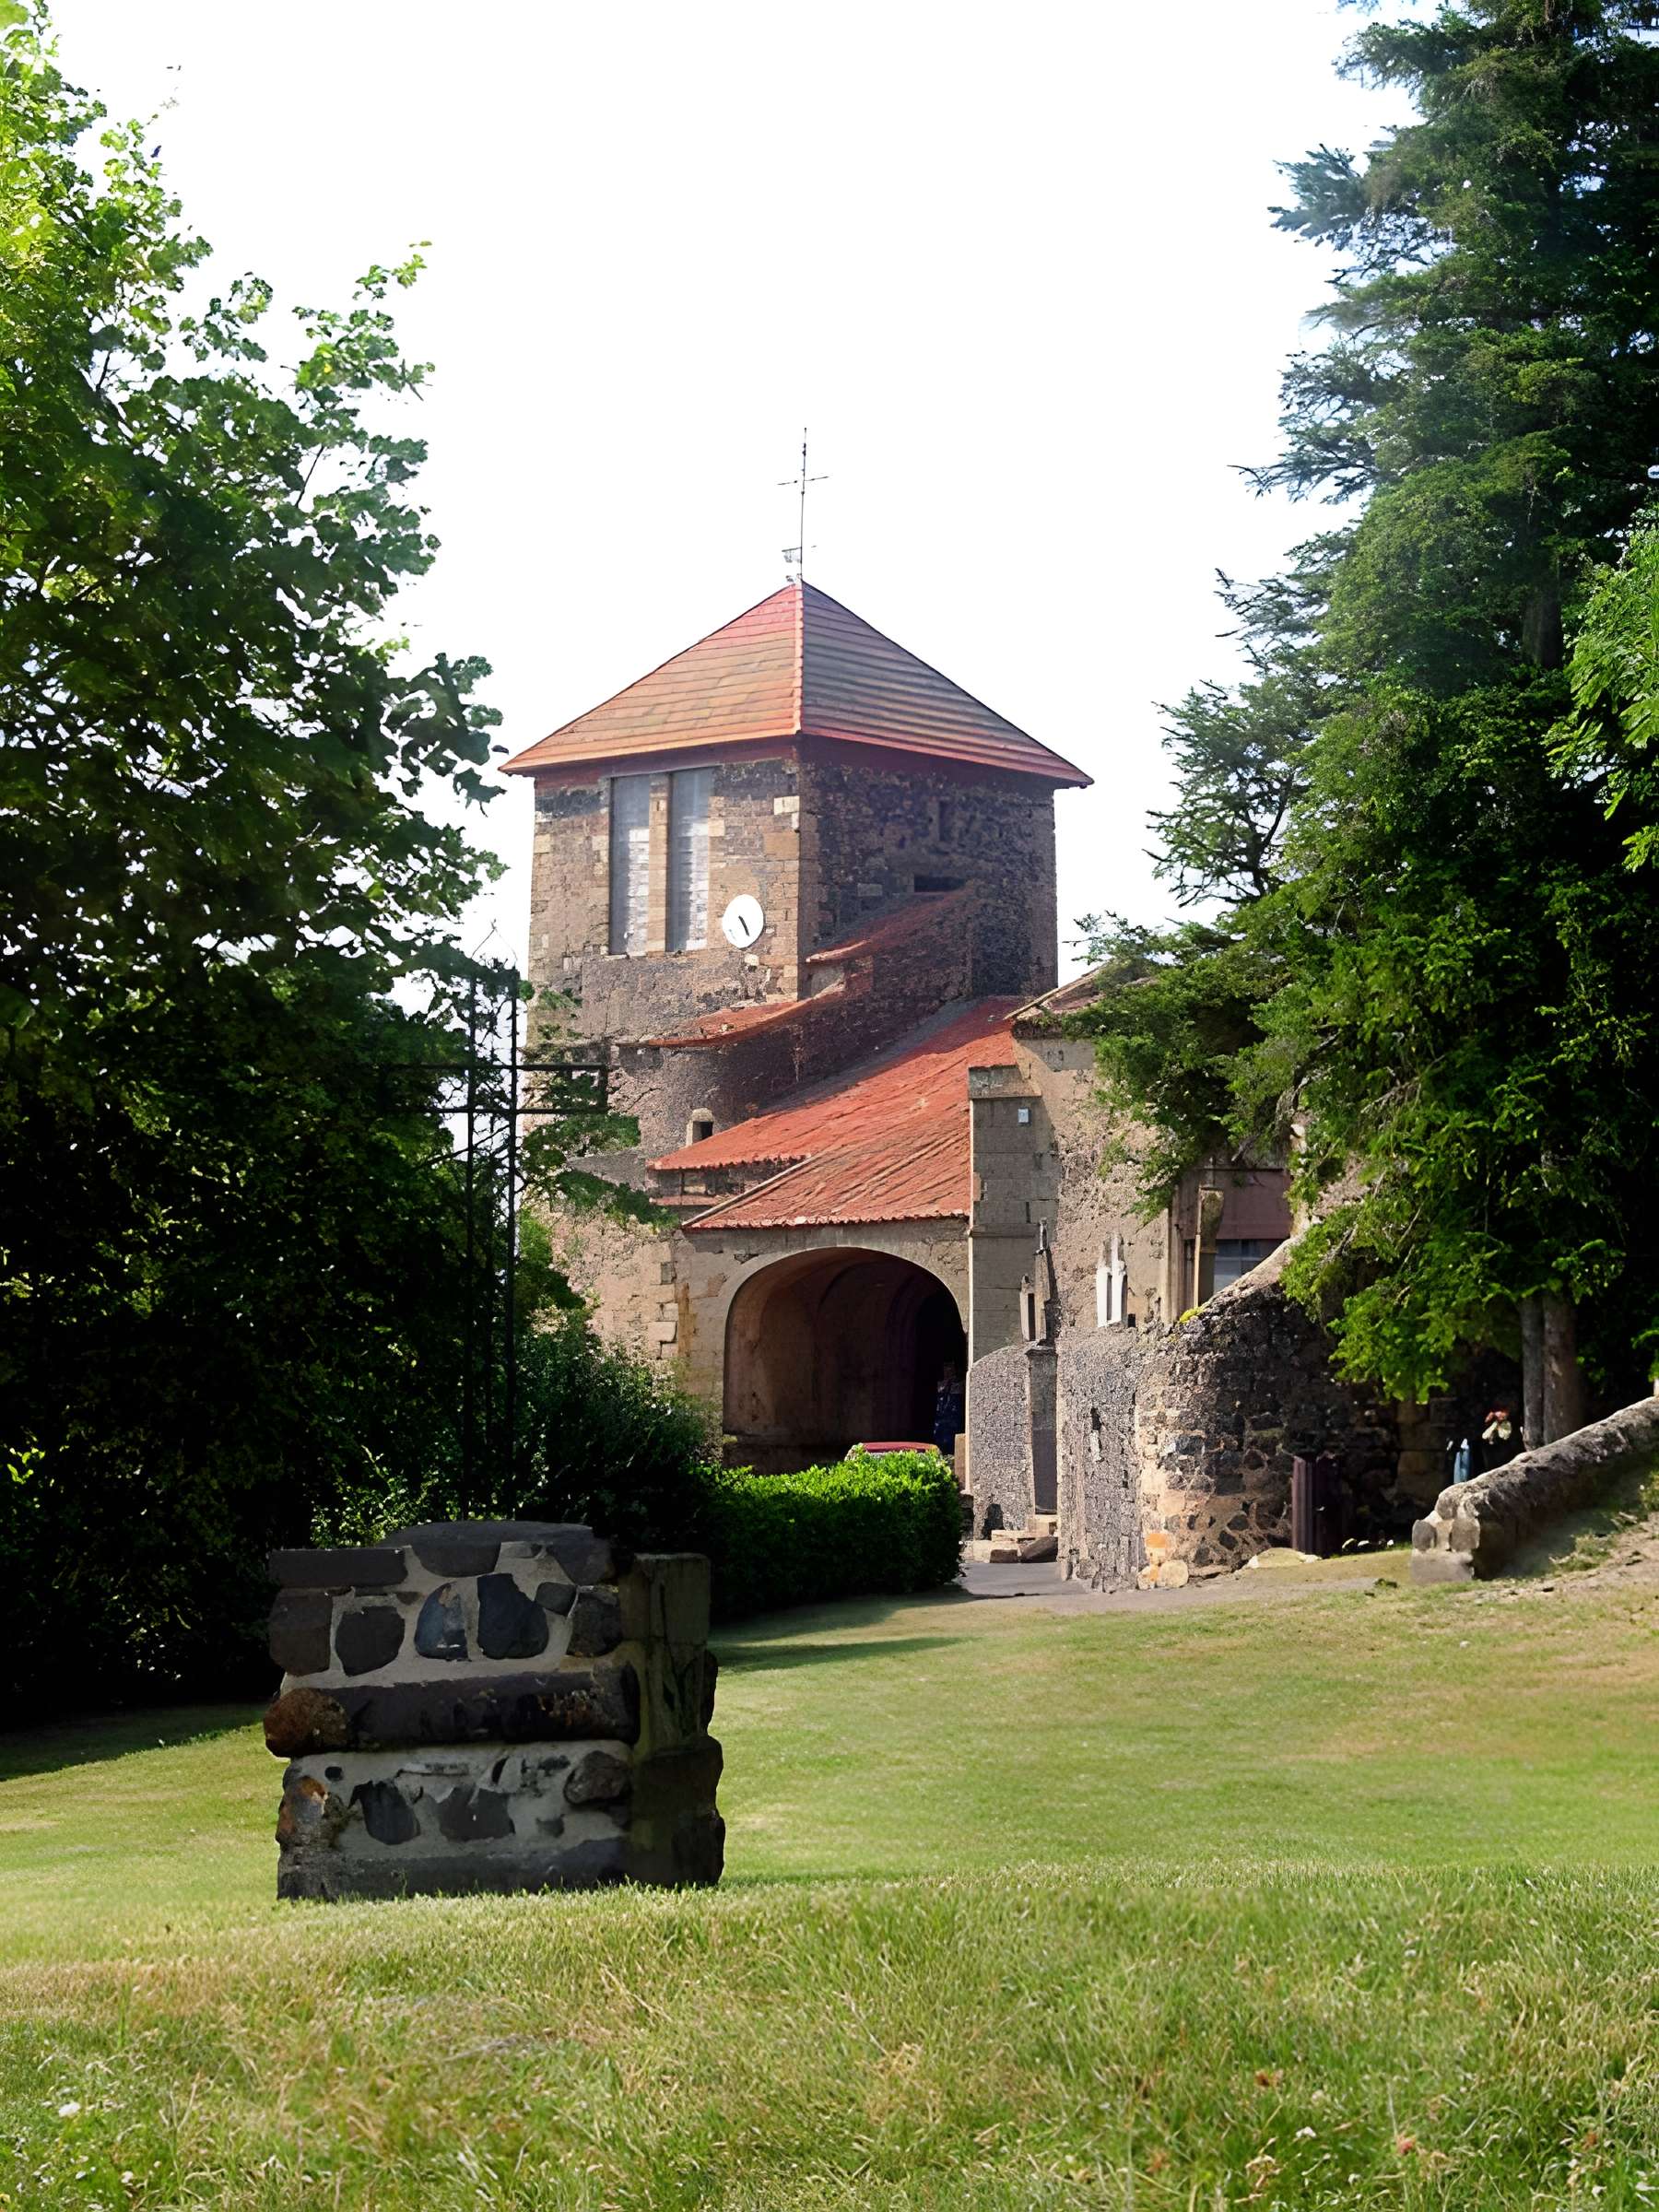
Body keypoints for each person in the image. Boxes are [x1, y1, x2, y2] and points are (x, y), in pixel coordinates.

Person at [932, 1367, 963, 1458]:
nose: (948, 1371)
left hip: (952, 1418)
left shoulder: (958, 1386)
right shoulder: (942, 1386)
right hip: (943, 1419)